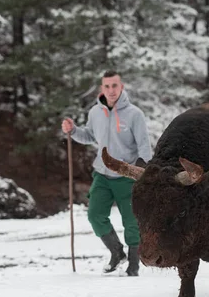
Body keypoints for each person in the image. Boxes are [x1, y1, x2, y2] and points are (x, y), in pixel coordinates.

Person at [62, 70, 152, 276]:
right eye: (107, 86)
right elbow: (89, 136)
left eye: (115, 86)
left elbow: (144, 147)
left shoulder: (134, 114)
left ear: (122, 87)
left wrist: (141, 171)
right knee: (95, 215)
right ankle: (116, 252)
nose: (111, 90)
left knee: (131, 222)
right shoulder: (95, 112)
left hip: (127, 175)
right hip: (102, 175)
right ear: (102, 89)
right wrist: (73, 130)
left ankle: (133, 263)